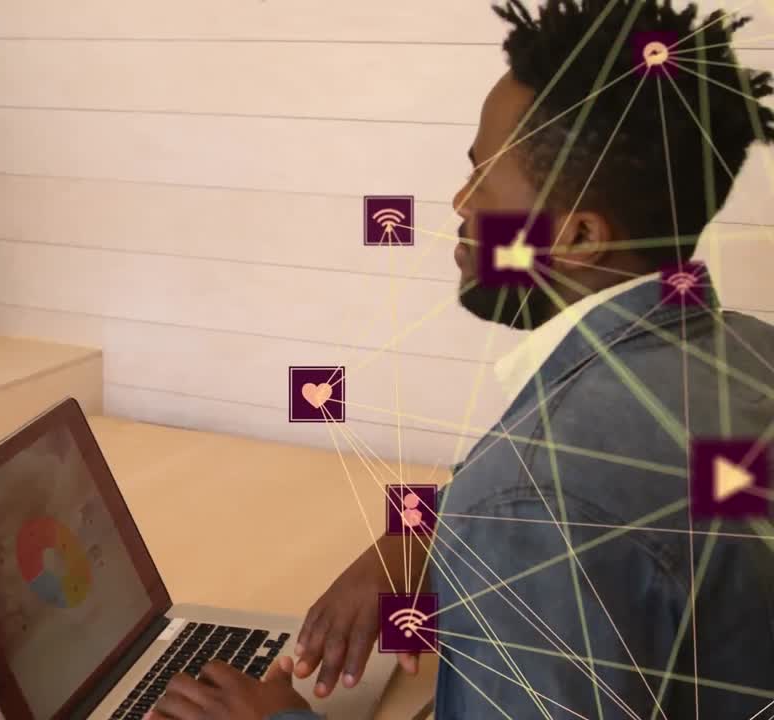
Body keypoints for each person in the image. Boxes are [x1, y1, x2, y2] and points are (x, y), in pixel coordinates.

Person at [149, 1, 774, 718]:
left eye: (486, 175)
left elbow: (551, 506)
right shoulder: (748, 352)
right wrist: (418, 542)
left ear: (578, 237)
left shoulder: (534, 495)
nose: (461, 200)